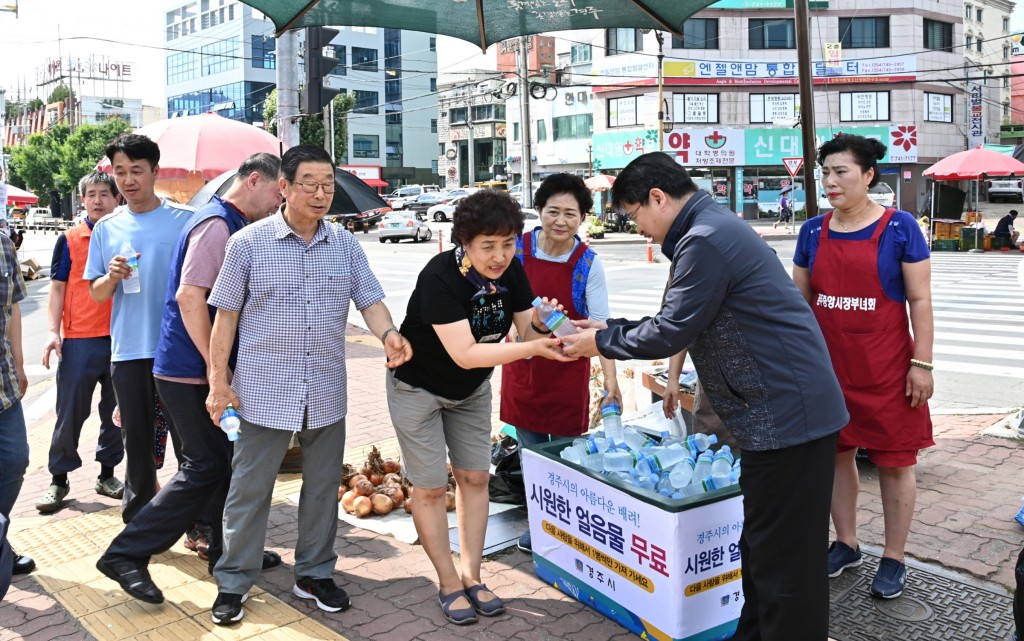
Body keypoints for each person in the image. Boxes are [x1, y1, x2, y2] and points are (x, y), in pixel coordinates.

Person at [560, 151, 849, 641]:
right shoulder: (709, 228)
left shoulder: (705, 239)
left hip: (788, 418)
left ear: (658, 198)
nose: (640, 231)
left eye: (635, 217)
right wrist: (609, 329)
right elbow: (677, 319)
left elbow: (671, 330)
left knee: (786, 564)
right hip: (773, 416)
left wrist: (599, 341)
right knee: (762, 548)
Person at [204, 145, 411, 625]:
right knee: (249, 490)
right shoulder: (249, 243)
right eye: (310, 185)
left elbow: (371, 299)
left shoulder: (345, 245)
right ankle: (234, 579)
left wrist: (389, 335)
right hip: (262, 389)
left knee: (321, 488)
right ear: (284, 187)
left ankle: (315, 572)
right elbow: (225, 317)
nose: (321, 195)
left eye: (328, 185)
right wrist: (219, 381)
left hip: (324, 388)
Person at [95, 154, 284, 605]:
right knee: (206, 464)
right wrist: (215, 370)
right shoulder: (217, 224)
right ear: (255, 180)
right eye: (279, 194)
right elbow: (189, 296)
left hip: (200, 369)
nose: (279, 205)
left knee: (224, 459)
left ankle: (226, 550)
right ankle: (126, 553)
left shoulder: (233, 220)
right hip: (188, 371)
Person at [387, 189, 572, 626]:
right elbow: (466, 353)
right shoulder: (440, 276)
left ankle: (473, 575)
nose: (499, 256)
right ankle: (448, 582)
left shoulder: (513, 270)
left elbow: (526, 328)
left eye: (508, 244)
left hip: (471, 391)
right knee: (431, 488)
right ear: (464, 242)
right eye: (488, 246)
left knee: (474, 478)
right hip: (419, 389)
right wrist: (535, 350)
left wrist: (546, 326)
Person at [793, 133, 934, 600]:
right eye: (825, 173)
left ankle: (893, 558)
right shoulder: (812, 232)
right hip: (829, 372)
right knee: (837, 455)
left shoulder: (900, 227)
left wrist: (922, 364)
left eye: (841, 172)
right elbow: (800, 304)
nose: (830, 182)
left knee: (895, 463)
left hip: (889, 370)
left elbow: (920, 302)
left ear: (869, 175)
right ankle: (847, 543)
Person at [497, 173, 619, 553]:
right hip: (523, 364)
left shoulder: (588, 264)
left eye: (571, 213)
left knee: (568, 455)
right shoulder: (515, 250)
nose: (561, 221)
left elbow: (602, 327)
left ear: (583, 217)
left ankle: (567, 527)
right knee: (532, 454)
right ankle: (540, 527)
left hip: (568, 370)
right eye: (553, 211)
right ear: (539, 211)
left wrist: (611, 384)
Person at [84, 133, 195, 523]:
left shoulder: (186, 222)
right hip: (129, 350)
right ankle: (139, 522)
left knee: (190, 443)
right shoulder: (106, 228)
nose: (128, 180)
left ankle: (198, 524)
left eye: (136, 171)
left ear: (154, 172)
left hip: (180, 350)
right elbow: (96, 294)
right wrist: (111, 277)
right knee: (138, 443)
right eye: (120, 172)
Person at [36, 172, 123, 514]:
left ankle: (107, 474)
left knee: (116, 414)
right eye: (91, 194)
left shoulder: (125, 236)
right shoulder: (70, 239)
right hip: (80, 339)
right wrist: (53, 332)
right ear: (83, 199)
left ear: (117, 199)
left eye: (105, 193)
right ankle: (59, 479)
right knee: (70, 413)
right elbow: (57, 288)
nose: (98, 200)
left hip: (121, 339)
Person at [0, 232, 33, 576]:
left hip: (2, 380)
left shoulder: (3, 243)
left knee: (14, 460)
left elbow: (12, 304)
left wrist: (19, 362)